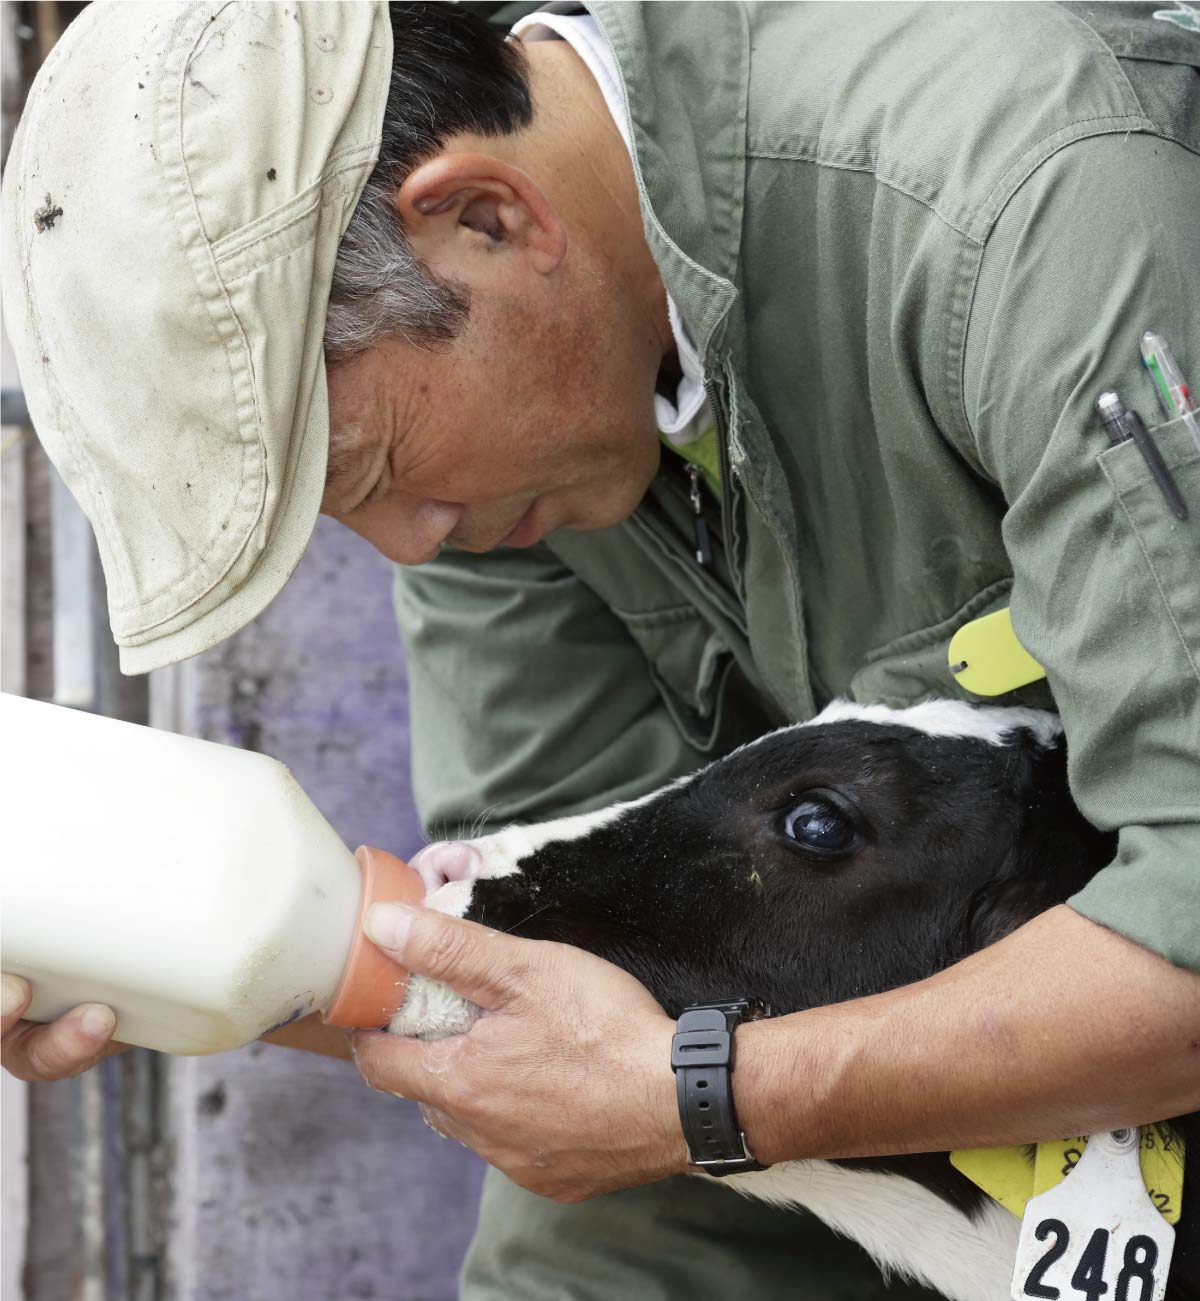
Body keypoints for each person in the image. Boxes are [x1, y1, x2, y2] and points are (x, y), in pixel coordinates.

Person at [3, 2, 1199, 1295]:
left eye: (375, 469)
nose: (410, 546)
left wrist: (700, 1096)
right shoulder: (510, 460)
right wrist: (134, 965)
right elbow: (532, 959)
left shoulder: (1025, 204)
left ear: (488, 217)